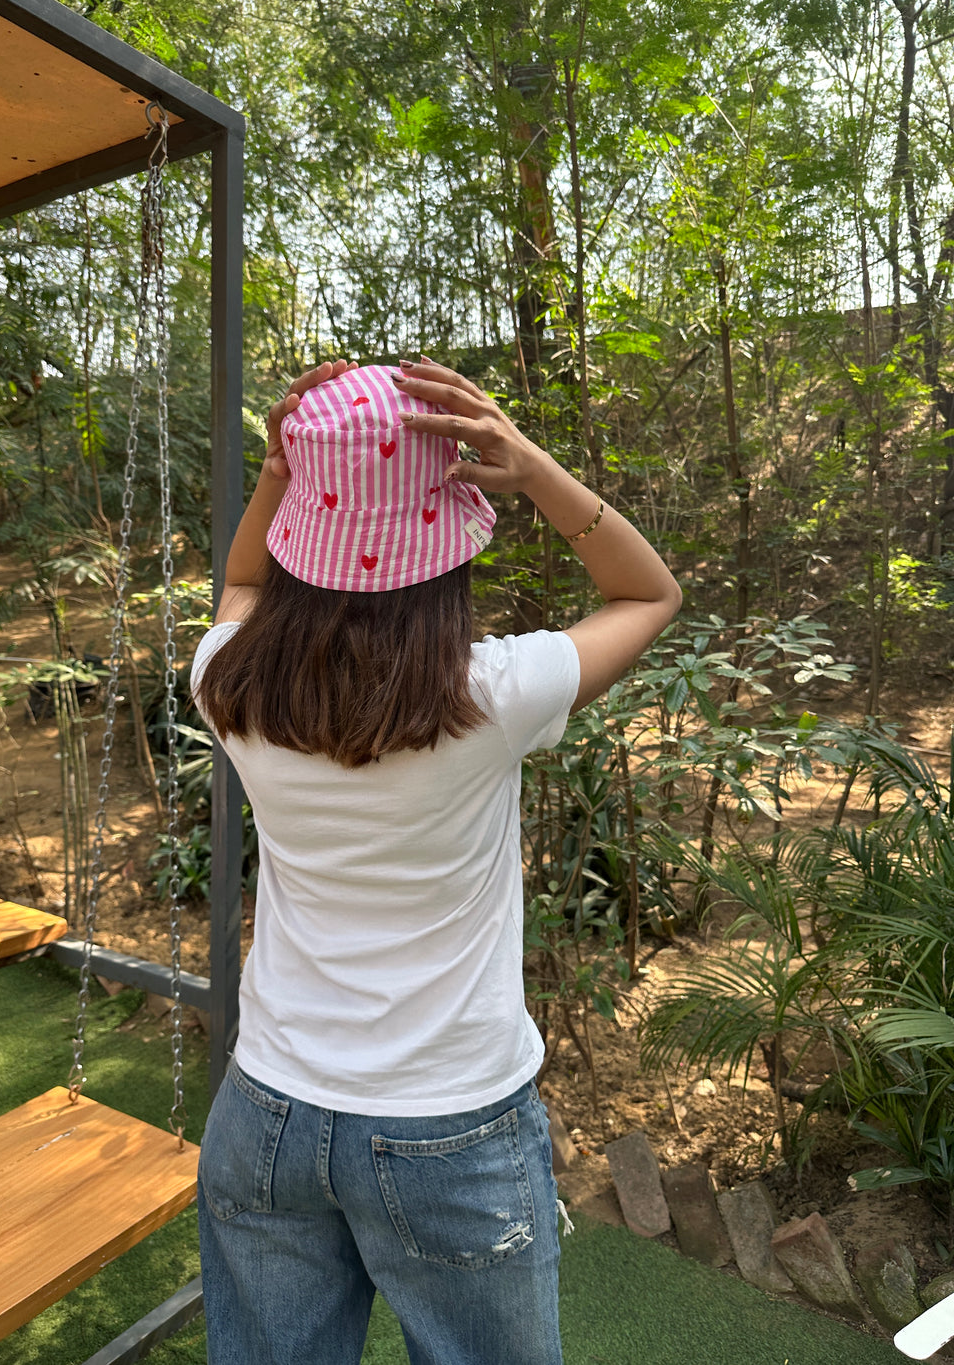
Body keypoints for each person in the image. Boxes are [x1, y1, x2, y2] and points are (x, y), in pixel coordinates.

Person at [191, 357, 681, 1365]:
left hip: (266, 1107)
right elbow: (647, 592)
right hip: (448, 1127)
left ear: (300, 541)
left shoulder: (224, 681)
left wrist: (282, 472)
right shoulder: (494, 698)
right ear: (443, 543)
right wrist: (534, 465)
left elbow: (242, 581)